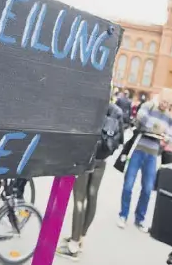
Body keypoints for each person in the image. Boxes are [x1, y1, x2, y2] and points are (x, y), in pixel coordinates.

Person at [56, 102, 124, 260]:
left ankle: (73, 246)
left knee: (79, 199)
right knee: (92, 196)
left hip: (85, 157)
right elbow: (120, 139)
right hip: (102, 159)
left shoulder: (89, 105)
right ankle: (80, 237)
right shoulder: (116, 111)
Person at [118, 87, 172, 232]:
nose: (164, 104)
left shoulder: (169, 116)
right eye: (163, 101)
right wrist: (157, 128)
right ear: (159, 98)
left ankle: (139, 218)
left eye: (167, 103)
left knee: (148, 188)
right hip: (138, 149)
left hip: (152, 153)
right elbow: (140, 118)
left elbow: (170, 135)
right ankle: (123, 215)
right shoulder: (148, 106)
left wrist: (164, 135)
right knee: (128, 184)